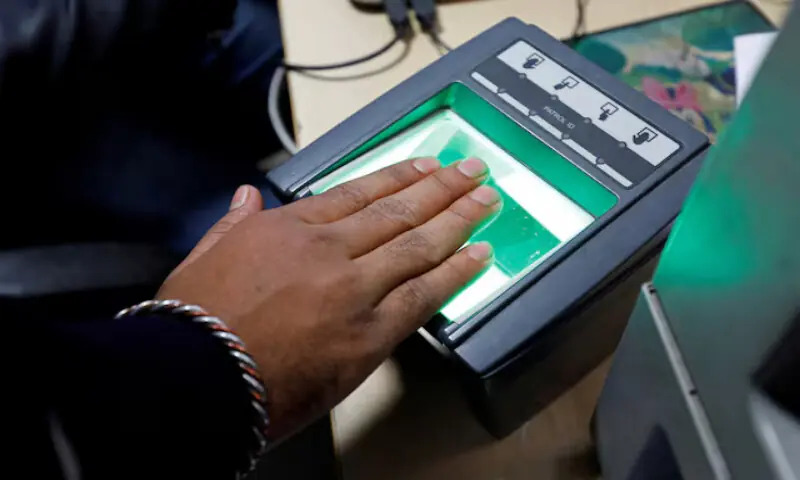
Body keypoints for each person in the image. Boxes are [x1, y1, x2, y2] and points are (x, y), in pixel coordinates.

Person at [5, 2, 501, 478]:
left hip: (114, 40)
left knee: (298, 61)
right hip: (45, 120)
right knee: (296, 217)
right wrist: (209, 363)